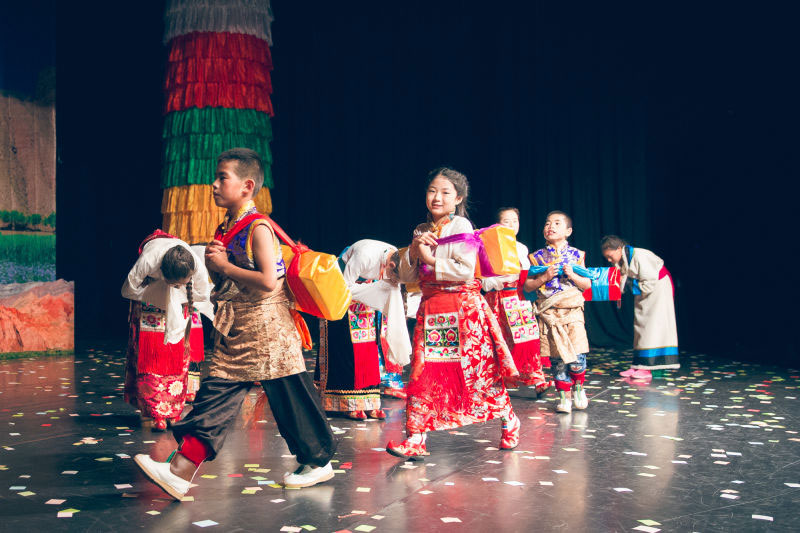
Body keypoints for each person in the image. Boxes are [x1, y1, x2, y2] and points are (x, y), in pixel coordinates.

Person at [134, 148, 336, 500]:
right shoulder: (227, 226)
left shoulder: (258, 228)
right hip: (240, 330)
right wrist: (217, 265)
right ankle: (180, 471)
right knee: (220, 396)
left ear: (246, 186)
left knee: (287, 398)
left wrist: (224, 266)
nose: (213, 184)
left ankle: (318, 461)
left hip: (268, 331)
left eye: (222, 177)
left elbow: (269, 281)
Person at [386, 167, 520, 459]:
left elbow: (463, 272)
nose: (437, 197)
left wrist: (429, 258)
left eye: (445, 192)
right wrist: (412, 252)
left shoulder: (461, 227)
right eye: (432, 190)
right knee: (423, 374)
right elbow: (408, 277)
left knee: (477, 373)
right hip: (432, 311)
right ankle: (416, 437)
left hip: (463, 312)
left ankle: (509, 419)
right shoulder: (421, 230)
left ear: (458, 197)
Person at [122, 232, 212, 430]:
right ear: (162, 272)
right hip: (149, 304)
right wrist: (157, 292)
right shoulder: (149, 260)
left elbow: (203, 294)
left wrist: (177, 294)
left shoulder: (194, 263)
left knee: (177, 358)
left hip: (180, 305)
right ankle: (156, 413)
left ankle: (174, 410)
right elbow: (128, 290)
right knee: (150, 361)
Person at [315, 239, 411, 419]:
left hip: (367, 296)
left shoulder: (395, 255)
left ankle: (370, 402)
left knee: (369, 349)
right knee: (347, 348)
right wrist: (373, 289)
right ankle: (346, 402)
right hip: (340, 292)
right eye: (394, 277)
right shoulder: (365, 256)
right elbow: (343, 286)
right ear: (390, 265)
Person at [524, 211, 592, 414]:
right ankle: (564, 396)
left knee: (577, 355)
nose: (550, 226)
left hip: (571, 311)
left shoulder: (577, 255)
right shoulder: (536, 257)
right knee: (557, 360)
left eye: (556, 223)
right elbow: (528, 287)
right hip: (549, 313)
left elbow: (587, 284)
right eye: (547, 223)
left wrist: (572, 275)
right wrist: (544, 276)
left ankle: (579, 388)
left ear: (568, 231)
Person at [482, 207, 550, 395]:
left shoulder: (522, 248)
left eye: (515, 221)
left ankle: (537, 379)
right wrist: (503, 277)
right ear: (497, 225)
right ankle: (501, 380)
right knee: (499, 341)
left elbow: (526, 276)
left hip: (517, 298)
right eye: (506, 221)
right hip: (497, 297)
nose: (512, 225)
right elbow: (484, 280)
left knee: (527, 339)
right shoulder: (488, 246)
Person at [601, 235, 679, 378]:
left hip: (658, 289)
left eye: (610, 256)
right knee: (640, 327)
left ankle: (648, 368)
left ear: (619, 249)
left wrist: (629, 284)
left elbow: (650, 279)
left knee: (652, 328)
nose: (609, 260)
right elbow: (624, 279)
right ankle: (638, 365)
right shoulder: (624, 259)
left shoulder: (640, 255)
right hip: (645, 291)